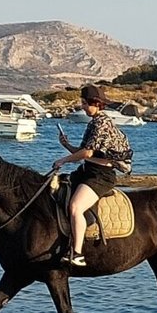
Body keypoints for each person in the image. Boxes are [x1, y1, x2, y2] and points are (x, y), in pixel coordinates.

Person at [53, 82, 133, 269]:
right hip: (87, 171)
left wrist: (63, 160)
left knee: (75, 207)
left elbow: (88, 153)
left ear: (96, 104)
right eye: (82, 103)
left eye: (85, 103)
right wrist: (67, 145)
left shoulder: (102, 123)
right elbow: (82, 151)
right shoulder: (93, 122)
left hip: (101, 176)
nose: (82, 107)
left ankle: (78, 253)